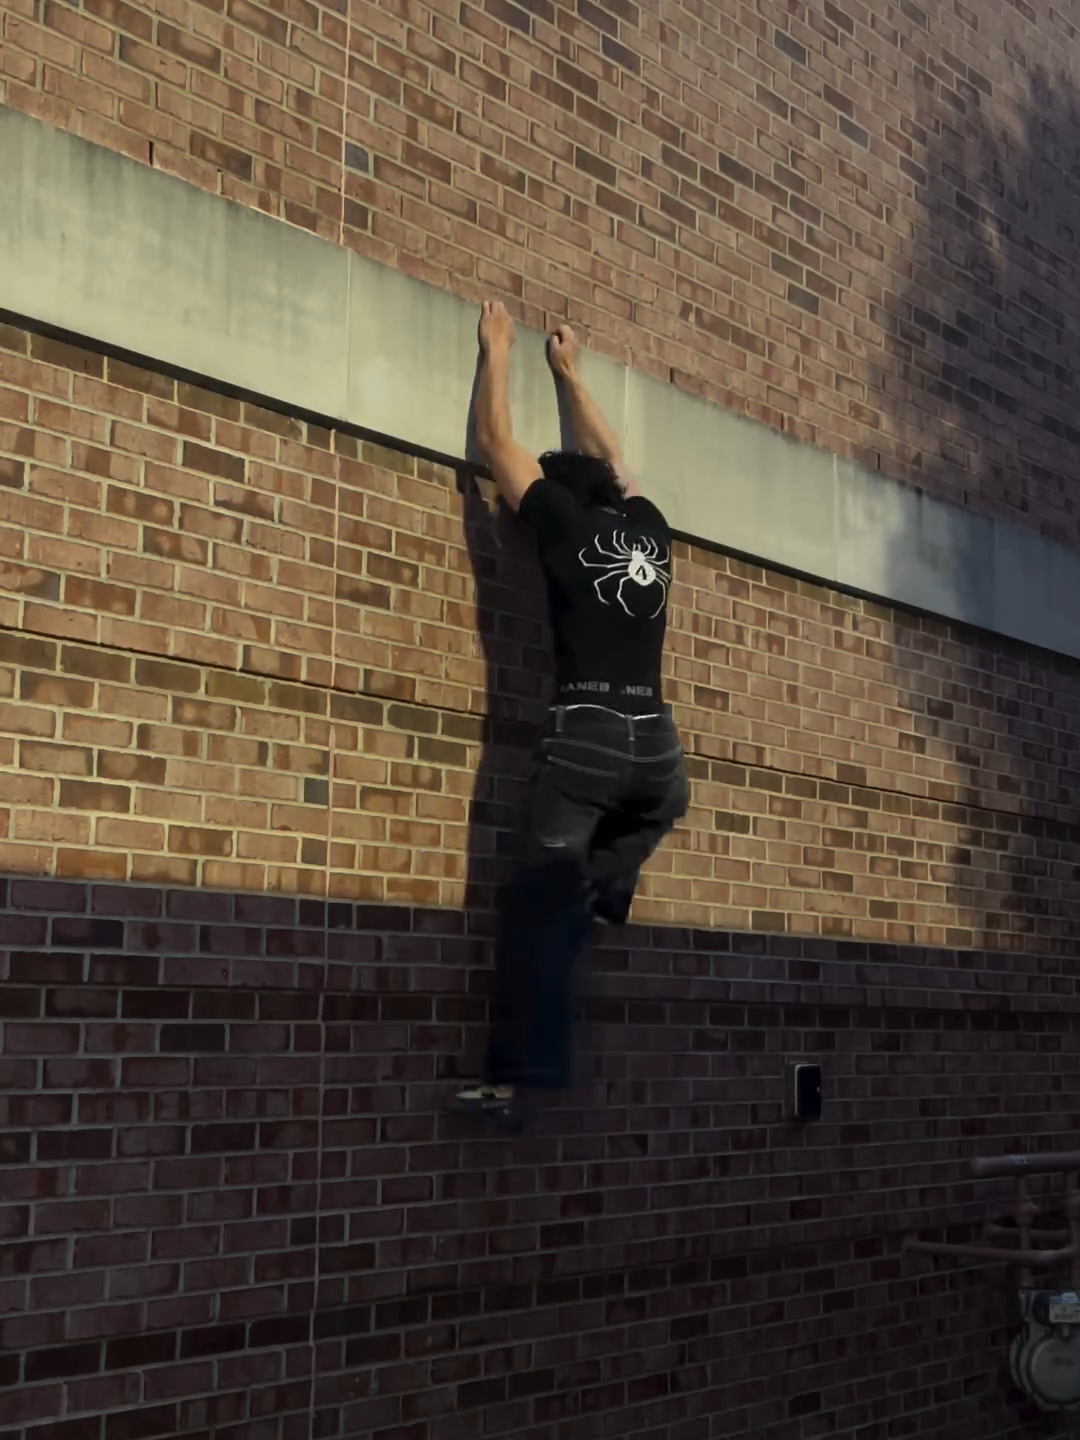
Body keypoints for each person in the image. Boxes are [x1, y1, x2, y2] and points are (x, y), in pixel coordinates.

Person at [454, 301, 689, 1132]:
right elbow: (613, 456)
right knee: (615, 852)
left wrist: (497, 351)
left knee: (538, 909)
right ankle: (607, 889)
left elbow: (496, 447)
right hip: (659, 762)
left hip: (587, 742)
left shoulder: (554, 519)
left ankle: (513, 1079)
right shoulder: (651, 527)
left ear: (565, 493)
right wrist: (570, 372)